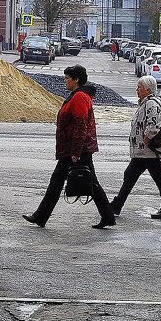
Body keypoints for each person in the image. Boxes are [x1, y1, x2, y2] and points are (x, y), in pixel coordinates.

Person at [23, 64, 116, 229]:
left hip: (76, 150)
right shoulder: (77, 95)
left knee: (68, 183)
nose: (64, 81)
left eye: (67, 78)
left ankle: (40, 217)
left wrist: (75, 152)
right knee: (77, 183)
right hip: (75, 149)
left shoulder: (79, 97)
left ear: (76, 80)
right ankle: (107, 216)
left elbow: (81, 125)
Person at [110, 75, 161, 220]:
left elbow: (154, 125)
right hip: (144, 152)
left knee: (155, 179)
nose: (137, 90)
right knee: (132, 177)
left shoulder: (151, 103)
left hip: (148, 152)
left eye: (139, 87)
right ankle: (116, 206)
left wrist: (146, 139)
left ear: (147, 90)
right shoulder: (146, 102)